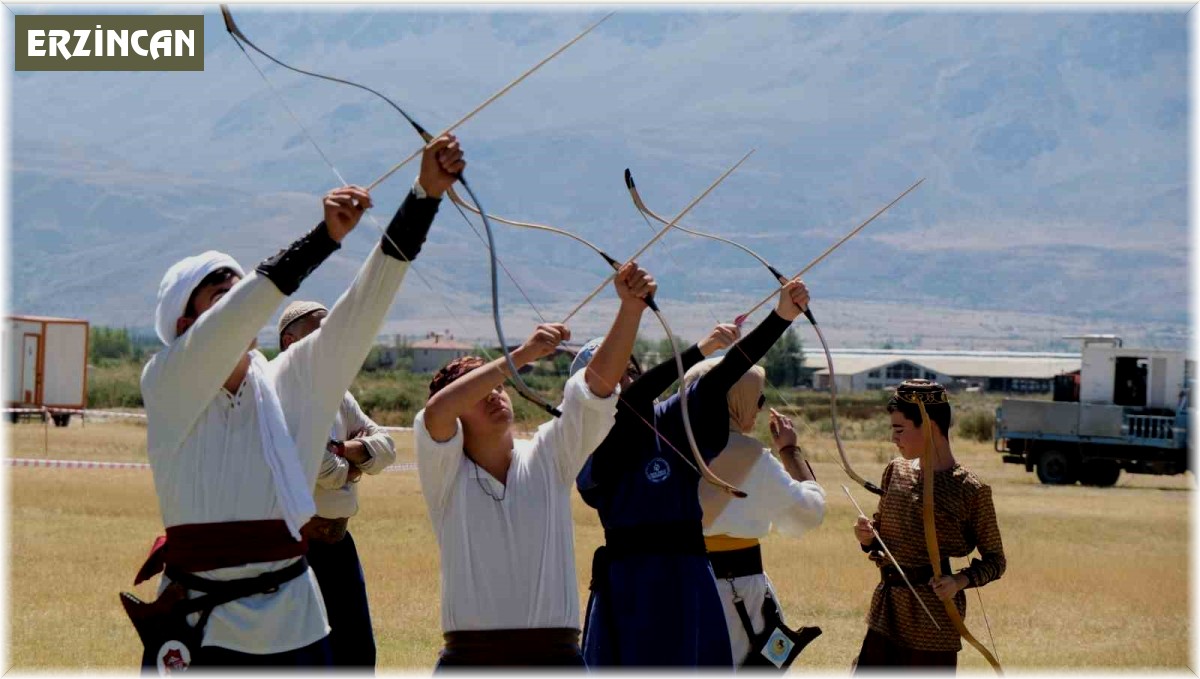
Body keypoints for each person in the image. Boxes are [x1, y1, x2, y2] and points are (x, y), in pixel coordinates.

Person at [125, 135, 464, 669]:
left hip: (296, 625)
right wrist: (323, 237)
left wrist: (424, 197)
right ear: (187, 328)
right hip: (200, 627)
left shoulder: (285, 382)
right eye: (222, 299)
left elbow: (363, 309)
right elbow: (247, 309)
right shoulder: (166, 381)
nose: (242, 309)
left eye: (239, 294)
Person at [413, 262, 657, 668]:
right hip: (470, 660)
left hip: (555, 658)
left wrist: (631, 308)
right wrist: (521, 356)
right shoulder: (444, 473)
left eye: (499, 386)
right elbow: (437, 412)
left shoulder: (549, 454)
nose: (495, 392)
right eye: (479, 388)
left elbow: (595, 388)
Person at [575, 279, 810, 667]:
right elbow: (629, 404)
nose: (624, 380)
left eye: (629, 369)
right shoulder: (588, 446)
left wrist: (781, 317)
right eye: (609, 374)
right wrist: (700, 349)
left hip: (688, 581)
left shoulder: (669, 421)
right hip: (632, 589)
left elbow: (723, 376)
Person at [851, 379, 1006, 672]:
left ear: (929, 424)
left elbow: (996, 561)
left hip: (934, 623)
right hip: (887, 614)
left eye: (899, 429)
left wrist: (959, 581)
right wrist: (867, 536)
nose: (893, 438)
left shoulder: (970, 489)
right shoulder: (895, 471)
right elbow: (880, 536)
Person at [276, 300, 398, 668]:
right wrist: (356, 462)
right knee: (305, 660)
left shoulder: (335, 393)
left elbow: (387, 447)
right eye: (321, 332)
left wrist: (344, 448)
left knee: (357, 655)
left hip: (339, 545)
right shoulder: (276, 390)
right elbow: (324, 470)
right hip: (295, 550)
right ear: (289, 340)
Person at [689, 356, 826, 668]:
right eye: (757, 398)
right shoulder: (755, 459)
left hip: (678, 585)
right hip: (741, 594)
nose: (760, 406)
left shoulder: (669, 449)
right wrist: (791, 451)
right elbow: (808, 513)